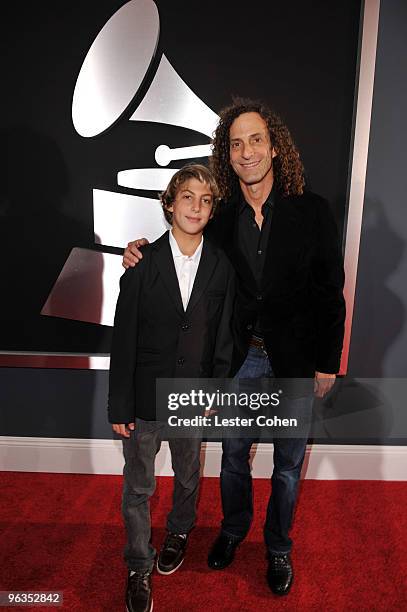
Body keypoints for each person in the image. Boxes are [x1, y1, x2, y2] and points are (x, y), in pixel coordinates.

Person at [122, 98, 346, 596]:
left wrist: (327, 363)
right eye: (236, 143)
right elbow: (181, 241)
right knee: (234, 455)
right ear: (227, 153)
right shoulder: (219, 217)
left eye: (256, 140)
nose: (246, 152)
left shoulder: (313, 211)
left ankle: (278, 548)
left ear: (275, 146)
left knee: (288, 465)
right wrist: (138, 250)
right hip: (240, 358)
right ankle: (231, 530)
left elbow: (331, 294)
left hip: (296, 363)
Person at [109, 164, 235, 612]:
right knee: (138, 486)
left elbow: (223, 338)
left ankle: (180, 530)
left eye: (205, 200)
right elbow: (123, 339)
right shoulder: (141, 265)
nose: (196, 206)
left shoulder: (221, 267)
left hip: (192, 397)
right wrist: (119, 404)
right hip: (144, 396)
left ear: (212, 209)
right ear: (169, 203)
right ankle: (138, 563)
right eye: (187, 197)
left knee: (187, 472)